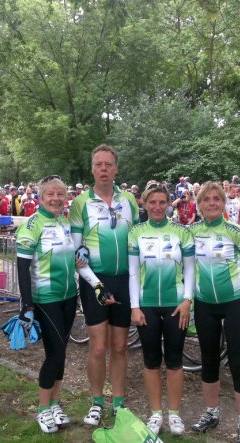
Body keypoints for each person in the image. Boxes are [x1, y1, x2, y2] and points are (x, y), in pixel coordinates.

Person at [16, 176, 102, 433]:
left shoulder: (64, 222)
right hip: (45, 299)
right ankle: (42, 410)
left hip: (67, 297)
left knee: (61, 353)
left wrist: (85, 254)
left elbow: (77, 258)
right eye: (50, 195)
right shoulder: (33, 225)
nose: (56, 199)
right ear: (41, 198)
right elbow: (21, 268)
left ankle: (54, 403)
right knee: (55, 354)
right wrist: (27, 306)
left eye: (60, 195)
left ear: (66, 198)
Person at [69, 144, 140, 425]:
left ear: (116, 168)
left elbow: (136, 242)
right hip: (94, 282)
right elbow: (78, 254)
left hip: (124, 280)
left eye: (108, 164)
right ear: (92, 169)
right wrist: (98, 286)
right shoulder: (79, 203)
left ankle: (119, 403)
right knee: (98, 348)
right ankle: (97, 401)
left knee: (120, 347)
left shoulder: (129, 201)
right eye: (98, 164)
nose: (104, 169)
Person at [189, 181, 240, 441]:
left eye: (216, 199)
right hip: (204, 305)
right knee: (208, 361)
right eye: (206, 199)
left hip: (234, 305)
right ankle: (211, 413)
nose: (211, 203)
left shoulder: (235, 231)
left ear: (223, 203)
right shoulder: (191, 232)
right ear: (199, 205)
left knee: (238, 362)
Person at [128, 184, 195, 436]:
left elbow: (190, 269)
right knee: (151, 361)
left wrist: (188, 300)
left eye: (161, 202)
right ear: (144, 204)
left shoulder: (181, 232)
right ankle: (156, 413)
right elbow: (133, 273)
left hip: (176, 305)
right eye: (152, 202)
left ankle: (174, 414)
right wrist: (135, 306)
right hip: (146, 306)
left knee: (175, 361)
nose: (157, 207)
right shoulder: (136, 233)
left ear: (169, 204)